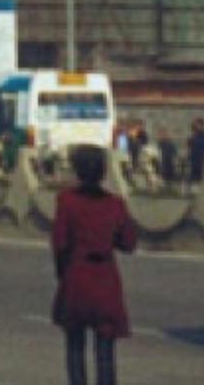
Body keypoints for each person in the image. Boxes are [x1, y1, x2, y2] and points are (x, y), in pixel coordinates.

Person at [51, 142, 138, 385]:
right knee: (105, 350)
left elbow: (60, 244)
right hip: (105, 277)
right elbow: (128, 243)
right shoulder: (114, 204)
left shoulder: (67, 201)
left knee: (75, 346)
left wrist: (62, 275)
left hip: (77, 274)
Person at [187, 116, 204, 184]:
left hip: (201, 161)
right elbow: (189, 145)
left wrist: (193, 140)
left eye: (197, 125)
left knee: (199, 180)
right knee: (192, 179)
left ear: (202, 125)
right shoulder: (194, 135)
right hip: (193, 161)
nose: (196, 127)